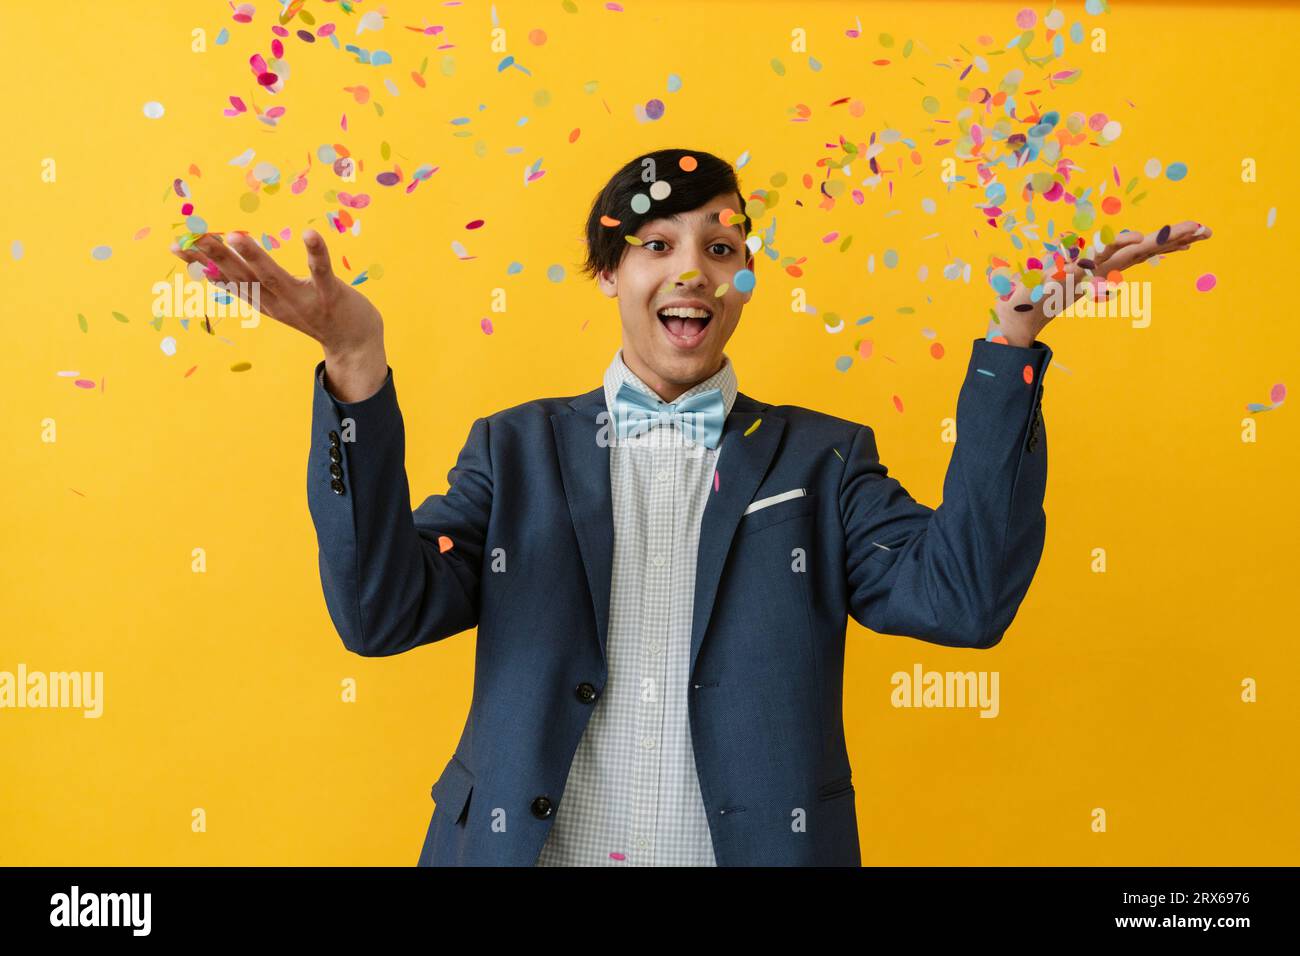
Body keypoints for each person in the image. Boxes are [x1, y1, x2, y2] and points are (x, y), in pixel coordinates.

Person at [170, 148, 1210, 866]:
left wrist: (1011, 350)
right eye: (657, 245)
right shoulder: (516, 450)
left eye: (720, 247)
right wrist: (356, 364)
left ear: (745, 277)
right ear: (610, 273)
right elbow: (381, 613)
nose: (692, 272)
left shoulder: (822, 458)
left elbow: (963, 599)